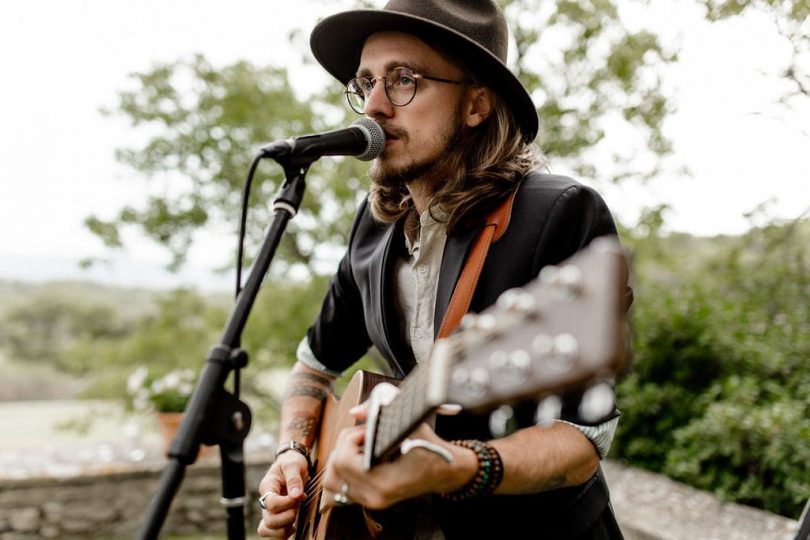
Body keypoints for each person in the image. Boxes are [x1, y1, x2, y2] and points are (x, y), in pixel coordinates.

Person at [257, 0, 630, 538]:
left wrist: (455, 467)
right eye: (366, 83)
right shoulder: (373, 227)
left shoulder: (558, 214)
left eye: (404, 80)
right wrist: (293, 453)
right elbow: (314, 365)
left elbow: (581, 440)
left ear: (476, 104)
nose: (375, 107)